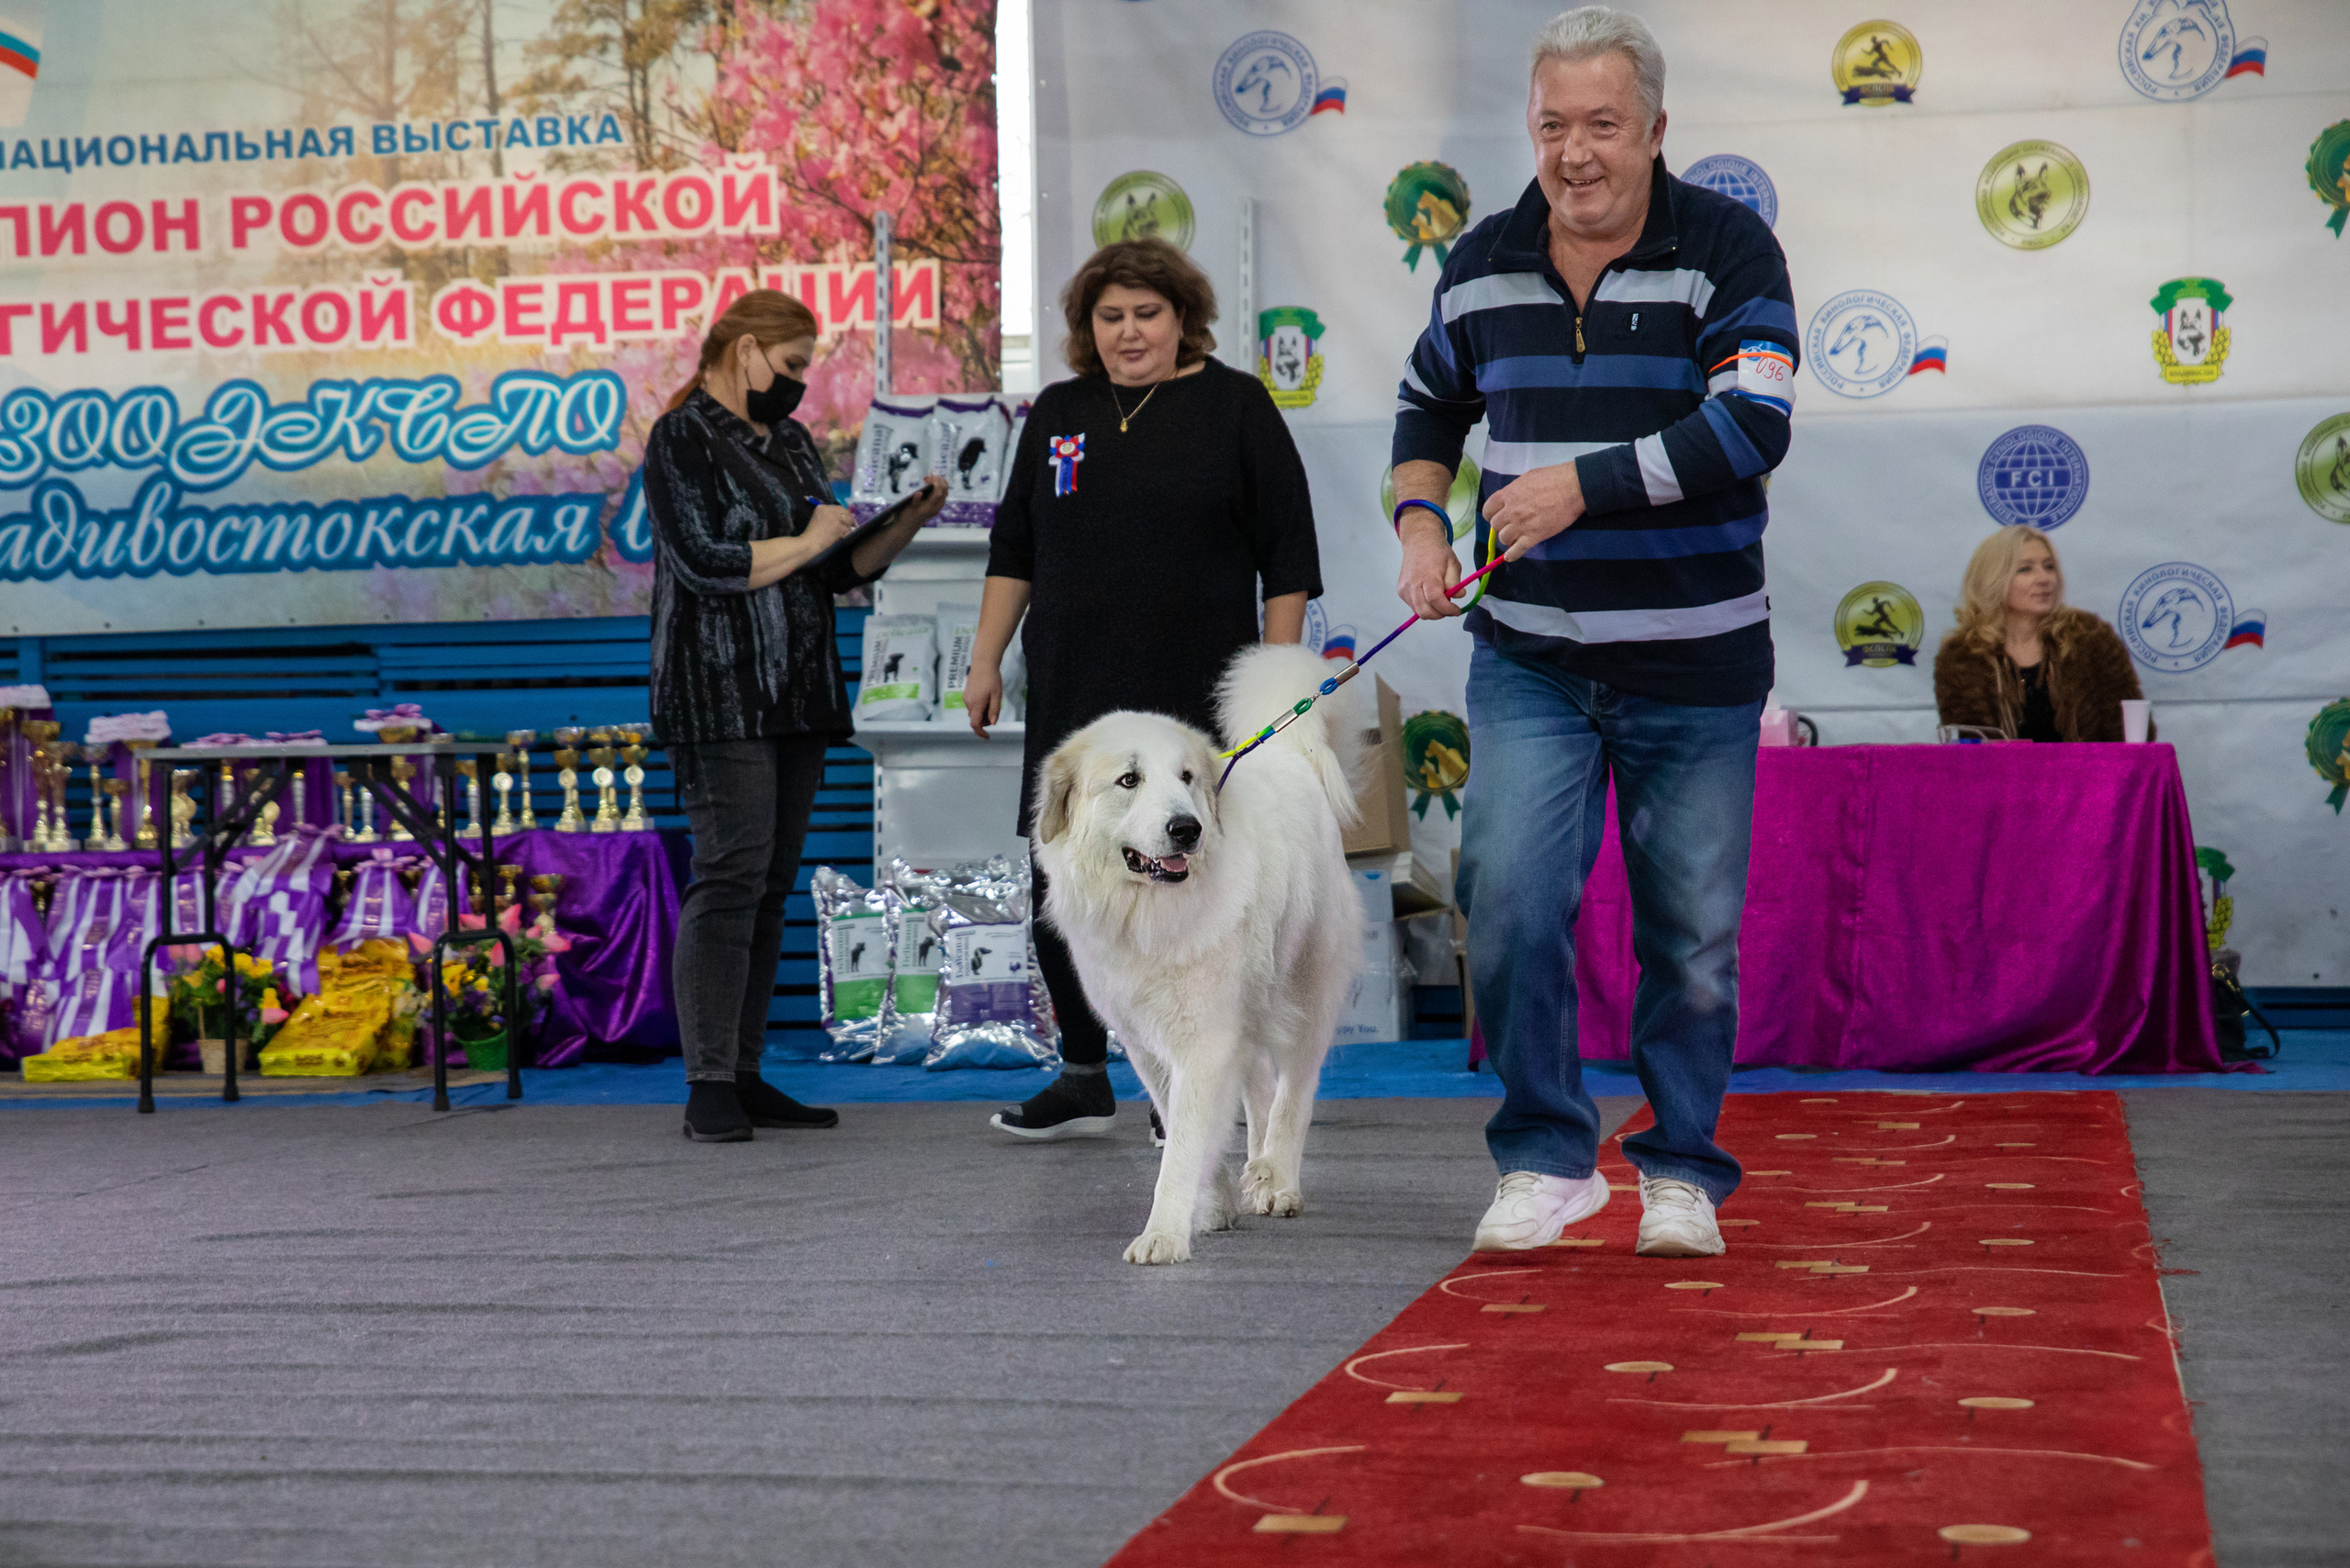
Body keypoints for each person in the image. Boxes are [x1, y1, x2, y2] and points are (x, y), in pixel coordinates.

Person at [1389, 6, 1796, 1259]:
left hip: (1699, 659)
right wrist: (1418, 527)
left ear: (1657, 131)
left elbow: (1753, 427)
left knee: (1693, 940)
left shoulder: (1729, 249)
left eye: (1604, 126)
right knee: (1504, 900)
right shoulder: (1480, 260)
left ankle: (1679, 1167)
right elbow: (1425, 403)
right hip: (1531, 657)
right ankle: (1548, 1157)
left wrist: (1583, 483)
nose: (1576, 152)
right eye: (1554, 124)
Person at [964, 238, 1323, 1140]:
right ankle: (1086, 1070)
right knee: (1062, 866)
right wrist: (982, 660)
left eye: (1146, 314)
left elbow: (1289, 554)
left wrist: (1274, 694)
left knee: (1199, 881)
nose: (1129, 332)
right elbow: (1015, 548)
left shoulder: (1235, 405)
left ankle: (1196, 1072)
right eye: (1109, 316)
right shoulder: (1057, 412)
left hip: (1196, 696)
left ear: (1182, 317)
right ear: (1088, 328)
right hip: (1074, 693)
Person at [645, 290, 944, 1143]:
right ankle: (707, 1078)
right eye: (792, 366)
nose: (800, 384)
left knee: (770, 887)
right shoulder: (681, 439)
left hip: (800, 693)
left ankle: (744, 1070)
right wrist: (815, 540)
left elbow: (840, 570)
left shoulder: (796, 445)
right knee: (730, 876)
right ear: (744, 351)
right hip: (719, 691)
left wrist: (904, 524)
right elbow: (705, 562)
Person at [1934, 525, 2144, 742]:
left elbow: (2132, 735)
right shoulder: (1962, 656)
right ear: (1993, 580)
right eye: (2025, 569)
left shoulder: (2090, 637)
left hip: (2090, 773)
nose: (2044, 578)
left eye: (2049, 567)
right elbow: (1968, 750)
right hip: (2002, 775)